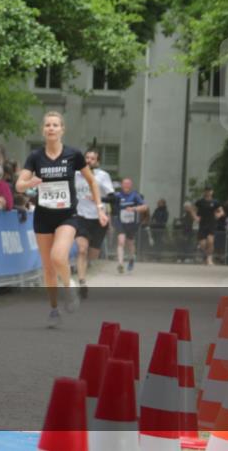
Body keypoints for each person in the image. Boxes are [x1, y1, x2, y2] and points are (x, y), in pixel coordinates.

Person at [16, 111, 107, 328]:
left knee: (58, 256)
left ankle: (69, 287)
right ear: (43, 130)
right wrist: (30, 183)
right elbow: (19, 185)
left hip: (67, 215)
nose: (51, 128)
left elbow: (92, 182)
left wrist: (100, 208)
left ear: (62, 130)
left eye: (55, 125)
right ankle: (54, 309)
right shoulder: (35, 157)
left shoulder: (73, 154)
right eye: (47, 125)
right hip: (43, 216)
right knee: (48, 268)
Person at [73, 149, 113, 298]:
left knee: (93, 255)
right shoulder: (75, 175)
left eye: (92, 158)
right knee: (82, 249)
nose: (89, 160)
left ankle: (84, 267)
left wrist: (98, 199)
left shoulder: (103, 176)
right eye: (87, 158)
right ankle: (82, 282)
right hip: (80, 217)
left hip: (98, 219)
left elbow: (113, 198)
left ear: (97, 162)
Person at [115, 178, 147, 274]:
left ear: (131, 185)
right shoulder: (118, 195)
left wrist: (134, 208)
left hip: (132, 223)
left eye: (128, 184)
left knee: (130, 243)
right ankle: (120, 264)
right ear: (122, 185)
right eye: (124, 183)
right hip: (120, 222)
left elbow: (145, 207)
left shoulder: (135, 195)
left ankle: (132, 258)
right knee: (121, 242)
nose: (126, 185)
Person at [193, 187, 224, 266]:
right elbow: (193, 210)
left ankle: (209, 259)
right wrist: (195, 217)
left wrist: (219, 215)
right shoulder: (200, 202)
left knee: (210, 241)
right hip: (202, 225)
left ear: (212, 192)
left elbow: (222, 211)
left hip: (211, 224)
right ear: (204, 192)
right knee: (203, 244)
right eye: (206, 191)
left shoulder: (215, 202)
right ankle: (207, 256)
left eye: (209, 191)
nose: (208, 192)